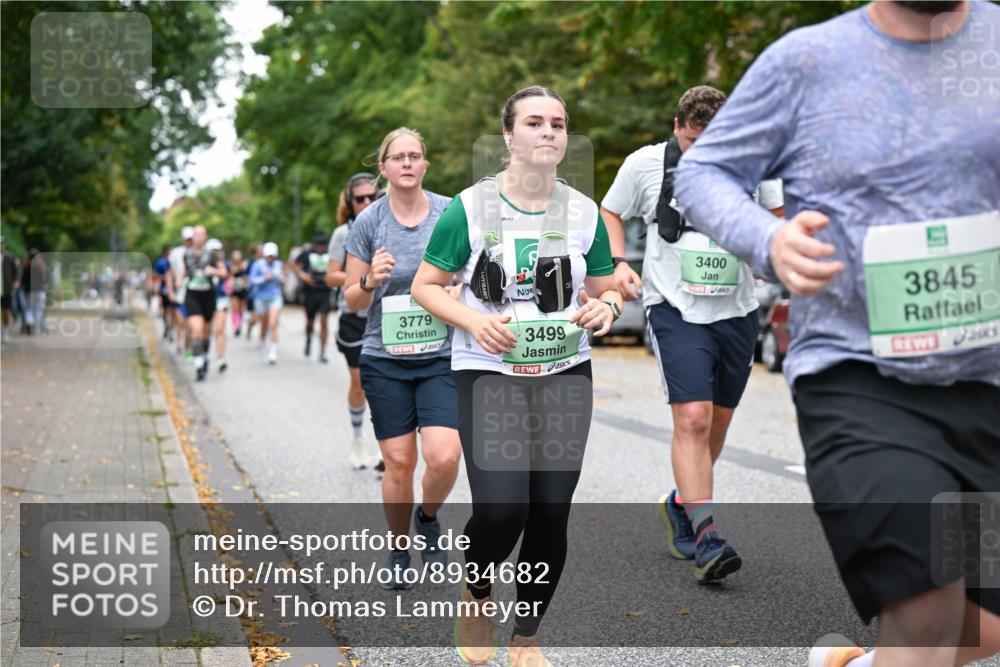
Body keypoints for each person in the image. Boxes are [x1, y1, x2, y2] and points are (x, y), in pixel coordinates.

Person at [674, 2, 999, 665]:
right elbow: (704, 172)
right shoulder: (807, 60)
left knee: (981, 628)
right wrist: (769, 238)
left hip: (987, 374)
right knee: (927, 601)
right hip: (859, 376)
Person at [412, 86, 623, 667]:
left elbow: (605, 292)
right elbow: (425, 286)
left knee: (552, 509)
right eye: (535, 122)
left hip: (563, 371)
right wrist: (473, 323)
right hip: (489, 373)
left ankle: (526, 641)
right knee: (506, 509)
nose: (549, 131)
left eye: (558, 123)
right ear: (509, 136)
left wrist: (606, 309)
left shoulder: (583, 212)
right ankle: (477, 591)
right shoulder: (468, 208)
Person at [601, 85, 784, 583]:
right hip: (674, 308)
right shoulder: (646, 164)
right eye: (688, 142)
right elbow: (610, 212)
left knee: (718, 420)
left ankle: (682, 502)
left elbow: (775, 220)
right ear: (678, 127)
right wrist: (618, 263)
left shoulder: (756, 162)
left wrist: (768, 250)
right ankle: (707, 538)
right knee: (695, 419)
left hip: (737, 309)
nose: (696, 153)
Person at [343, 127, 461, 589]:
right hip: (384, 357)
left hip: (441, 354)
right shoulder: (369, 222)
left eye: (415, 156)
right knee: (399, 461)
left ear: (425, 164)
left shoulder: (450, 213)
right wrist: (371, 279)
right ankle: (398, 546)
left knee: (445, 456)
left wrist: (458, 289)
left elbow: (479, 274)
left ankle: (427, 516)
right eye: (398, 157)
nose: (407, 163)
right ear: (385, 167)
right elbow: (352, 299)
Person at [326, 172, 382, 469]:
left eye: (372, 197)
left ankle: (386, 447)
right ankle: (358, 439)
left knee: (385, 381)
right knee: (360, 381)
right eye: (360, 199)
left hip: (385, 313)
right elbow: (331, 275)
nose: (367, 203)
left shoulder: (389, 225)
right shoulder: (342, 233)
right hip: (353, 316)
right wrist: (364, 278)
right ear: (350, 202)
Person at [179, 226, 227, 381]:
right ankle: (199, 365)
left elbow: (224, 272)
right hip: (192, 294)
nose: (198, 237)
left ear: (205, 237)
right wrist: (179, 280)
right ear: (193, 237)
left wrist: (213, 271)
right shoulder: (187, 254)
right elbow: (185, 271)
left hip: (208, 295)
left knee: (206, 331)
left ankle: (204, 356)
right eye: (196, 234)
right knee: (196, 329)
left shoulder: (212, 255)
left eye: (201, 235)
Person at [294, 231, 334, 362]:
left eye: (323, 244)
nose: (321, 246)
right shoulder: (307, 253)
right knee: (310, 322)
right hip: (310, 292)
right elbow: (294, 265)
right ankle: (309, 338)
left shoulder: (330, 253)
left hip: (325, 292)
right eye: (318, 244)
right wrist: (302, 276)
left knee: (324, 321)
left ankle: (322, 352)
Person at [250, 241, 284, 365]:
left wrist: (277, 276)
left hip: (275, 296)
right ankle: (263, 342)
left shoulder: (279, 265)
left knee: (273, 324)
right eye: (268, 256)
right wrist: (264, 278)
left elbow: (283, 280)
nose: (270, 258)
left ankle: (273, 351)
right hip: (261, 298)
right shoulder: (258, 265)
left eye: (272, 256)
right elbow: (252, 280)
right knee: (263, 324)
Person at [168, 226, 194, 356]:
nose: (190, 241)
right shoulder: (176, 253)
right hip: (180, 293)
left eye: (191, 239)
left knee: (190, 324)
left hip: (194, 293)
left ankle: (188, 349)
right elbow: (170, 273)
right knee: (181, 321)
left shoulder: (199, 253)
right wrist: (171, 290)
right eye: (187, 239)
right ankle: (179, 341)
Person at [208, 239, 230, 373]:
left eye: (218, 251)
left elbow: (226, 275)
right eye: (213, 251)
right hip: (205, 300)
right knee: (205, 330)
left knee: (220, 329)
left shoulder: (224, 264)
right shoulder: (201, 263)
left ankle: (220, 358)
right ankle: (202, 355)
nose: (216, 254)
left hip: (220, 299)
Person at [21, 249, 47, 335]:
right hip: (39, 291)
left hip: (29, 291)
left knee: (29, 309)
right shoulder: (40, 266)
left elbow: (23, 280)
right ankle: (37, 329)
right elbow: (44, 280)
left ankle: (29, 322)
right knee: (39, 310)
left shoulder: (26, 266)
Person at [153, 245, 175, 340]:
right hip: (163, 289)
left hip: (175, 290)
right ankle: (166, 325)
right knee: (165, 310)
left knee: (173, 310)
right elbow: (156, 275)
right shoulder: (161, 263)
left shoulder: (175, 262)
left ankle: (171, 328)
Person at [1, 237, 20, 342]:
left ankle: (5, 331)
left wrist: (16, 281)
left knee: (6, 311)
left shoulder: (10, 257)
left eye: (1, 244)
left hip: (6, 288)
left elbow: (17, 270)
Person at [230, 249, 249, 338]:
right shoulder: (232, 266)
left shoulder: (245, 265)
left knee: (241, 309)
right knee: (235, 309)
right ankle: (236, 327)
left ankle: (239, 325)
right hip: (234, 290)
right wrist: (240, 267)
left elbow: (247, 277)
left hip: (243, 289)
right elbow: (232, 272)